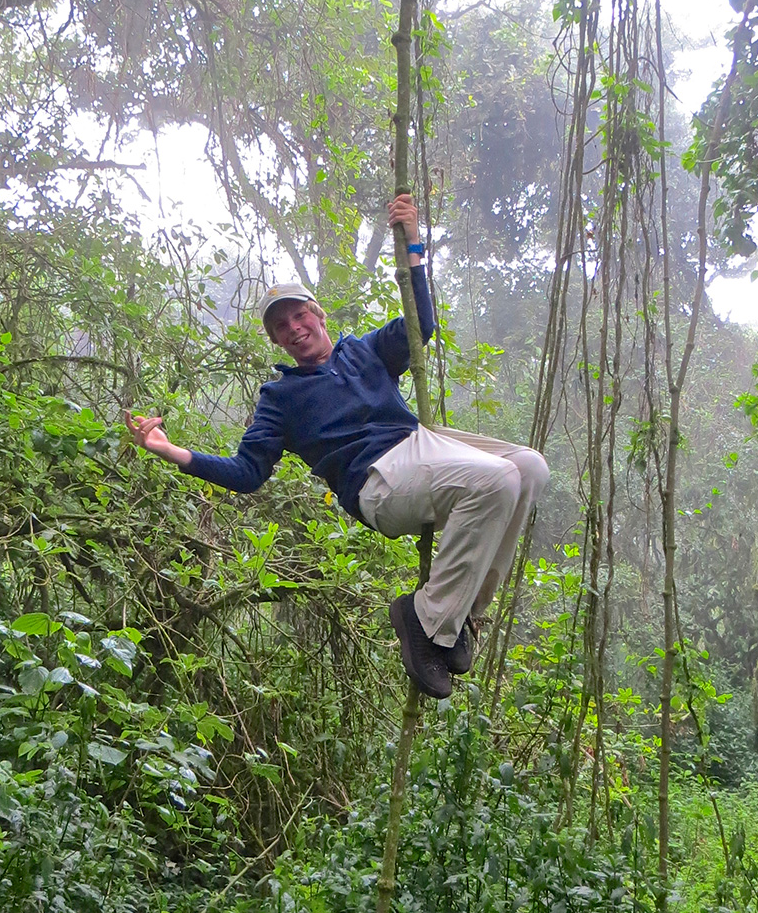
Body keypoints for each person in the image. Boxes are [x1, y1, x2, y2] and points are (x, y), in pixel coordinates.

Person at [124, 194, 549, 700]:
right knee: (497, 479)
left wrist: (413, 242)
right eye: (280, 327)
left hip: (422, 445)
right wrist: (170, 451)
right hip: (378, 482)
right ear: (277, 342)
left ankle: (463, 618)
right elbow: (247, 472)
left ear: (318, 314)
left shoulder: (364, 350)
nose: (294, 328)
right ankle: (427, 621)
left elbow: (422, 324)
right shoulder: (281, 397)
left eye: (299, 315)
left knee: (529, 466)